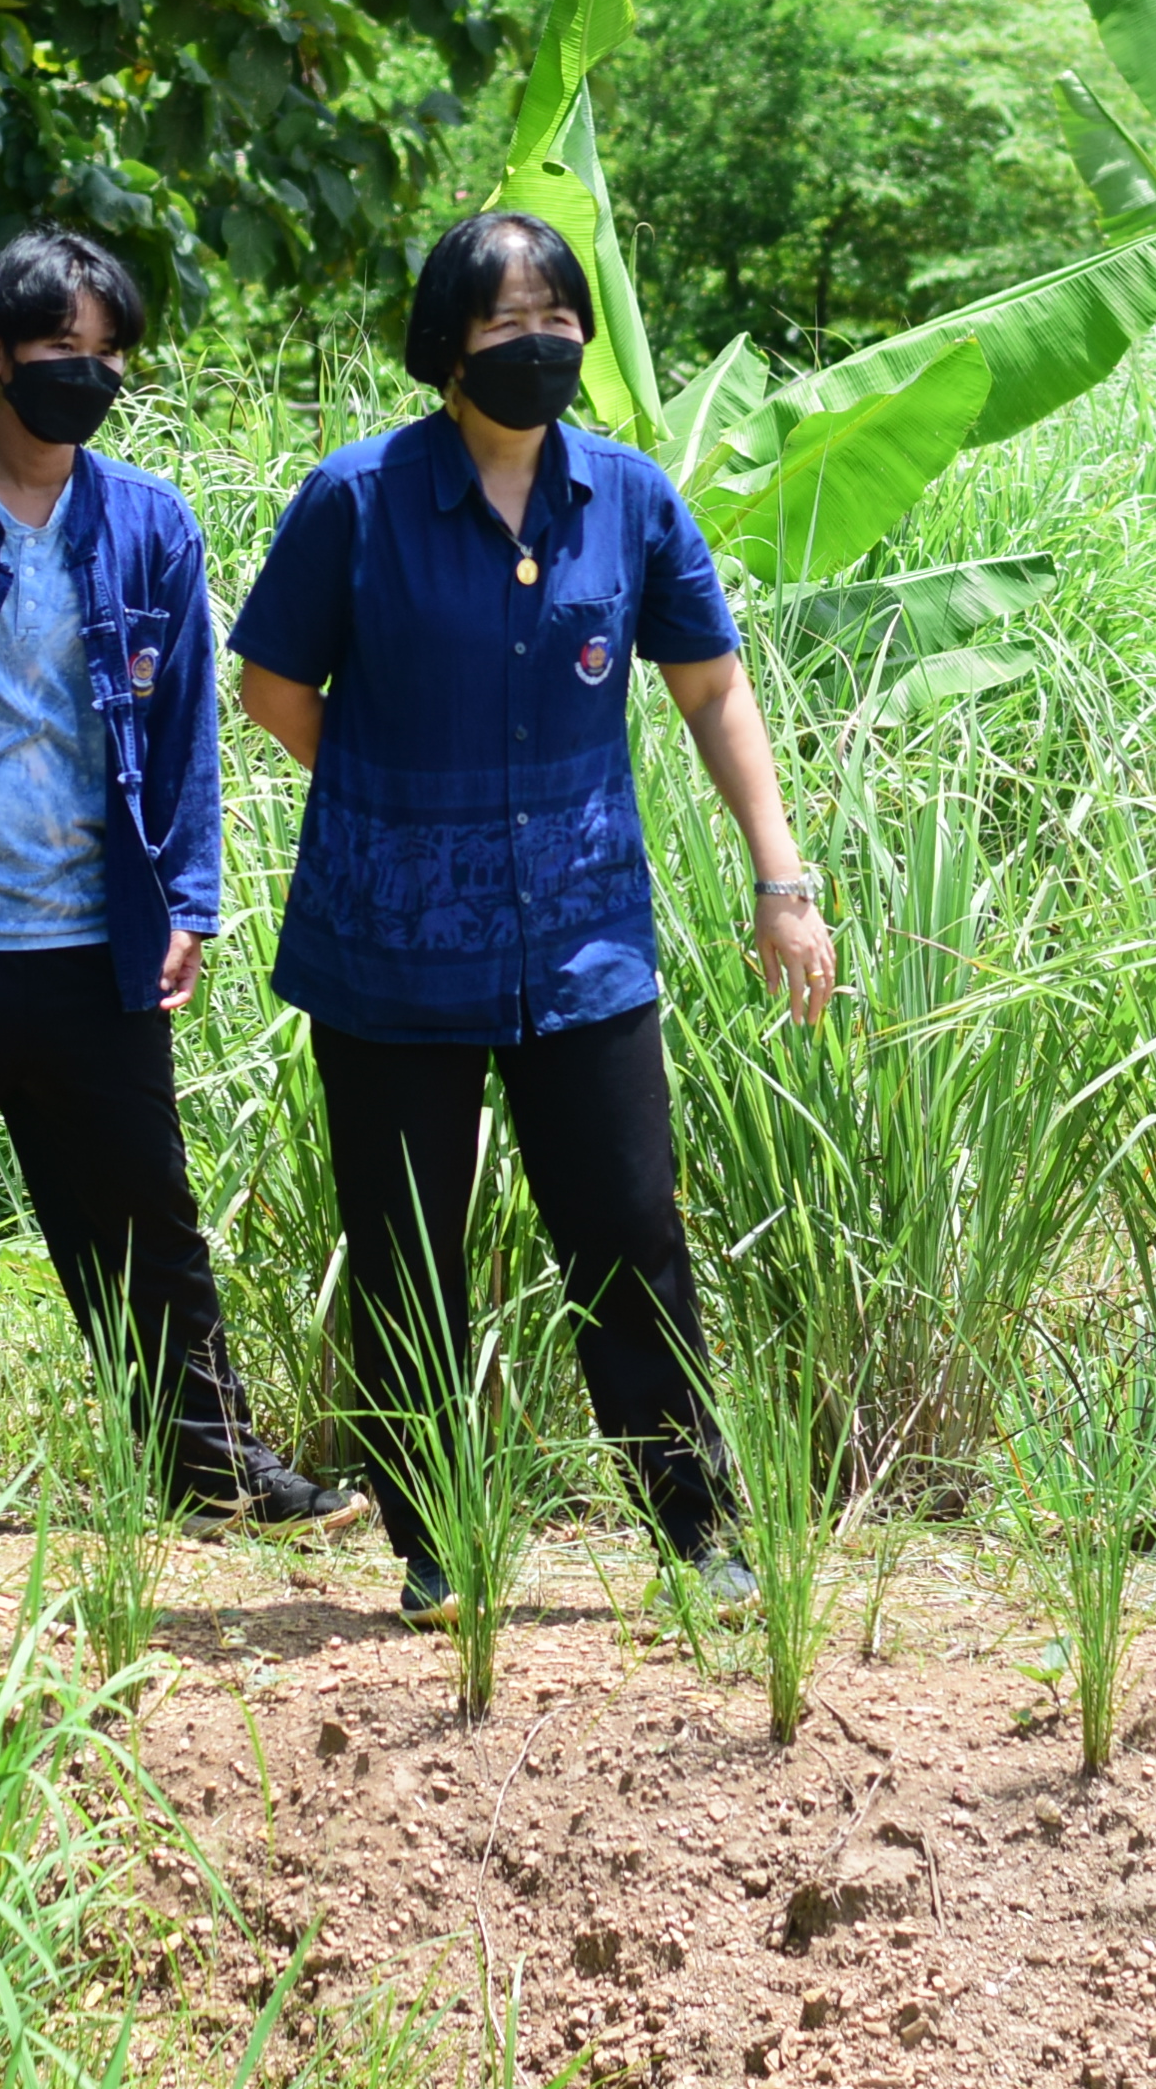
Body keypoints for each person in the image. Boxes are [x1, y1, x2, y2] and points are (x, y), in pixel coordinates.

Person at [231, 209, 841, 1628]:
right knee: (405, 1248)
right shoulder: (358, 498)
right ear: (447, 342)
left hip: (582, 942)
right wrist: (392, 791)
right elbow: (272, 684)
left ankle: (697, 1534)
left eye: (560, 319)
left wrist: (781, 875)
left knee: (628, 1229)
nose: (543, 344)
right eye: (507, 323)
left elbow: (710, 685)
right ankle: (431, 1541)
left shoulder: (627, 499)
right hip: (388, 946)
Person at [0, 229, 363, 1588]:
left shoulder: (151, 524)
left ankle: (211, 1469)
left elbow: (184, 730)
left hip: (90, 941)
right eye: (62, 352)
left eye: (108, 355)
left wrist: (189, 899)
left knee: (146, 1222)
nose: (87, 376)